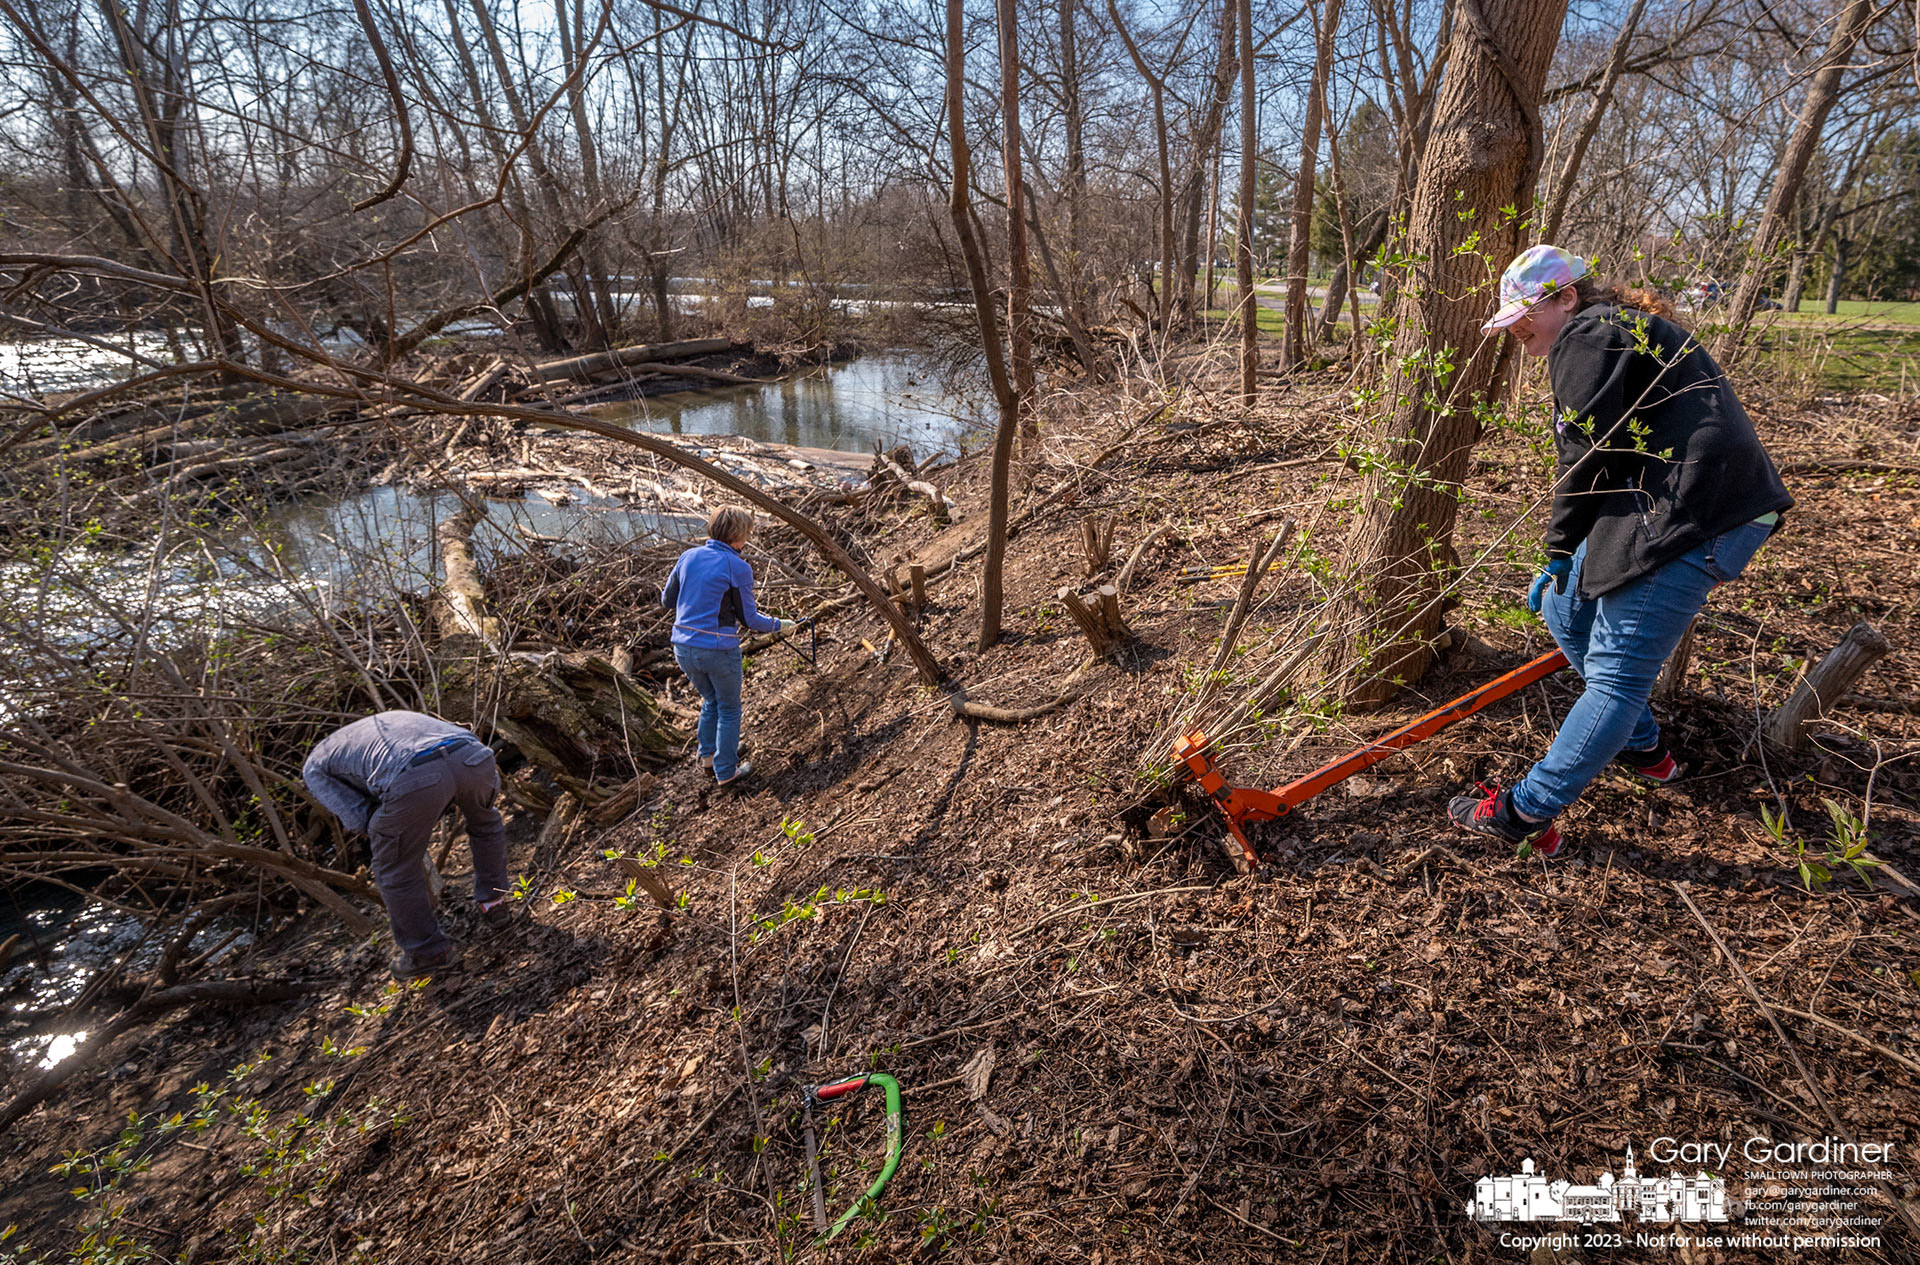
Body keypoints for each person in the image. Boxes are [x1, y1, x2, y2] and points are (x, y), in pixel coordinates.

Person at [1449, 245, 1792, 856]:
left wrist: (1559, 544)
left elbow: (1585, 454)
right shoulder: (1617, 332)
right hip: (1670, 503)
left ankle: (1524, 812)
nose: (1519, 329)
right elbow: (1609, 455)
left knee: (1615, 676)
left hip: (1696, 515)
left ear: (1568, 298)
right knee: (1565, 608)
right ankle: (1641, 746)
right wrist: (1565, 554)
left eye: (1527, 313)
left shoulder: (1590, 334)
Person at [303, 711, 509, 979]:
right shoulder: (387, 722)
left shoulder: (314, 767)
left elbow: (357, 818)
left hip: (416, 773)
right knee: (485, 823)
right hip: (472, 755)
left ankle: (428, 952)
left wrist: (397, 828)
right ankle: (495, 904)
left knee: (394, 870)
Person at [661, 505, 798, 787]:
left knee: (711, 700)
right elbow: (749, 619)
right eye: (747, 533)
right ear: (739, 537)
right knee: (729, 708)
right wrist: (780, 625)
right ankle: (726, 771)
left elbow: (667, 600)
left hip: (683, 647)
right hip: (718, 650)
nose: (747, 539)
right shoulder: (738, 567)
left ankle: (709, 758)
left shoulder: (688, 556)